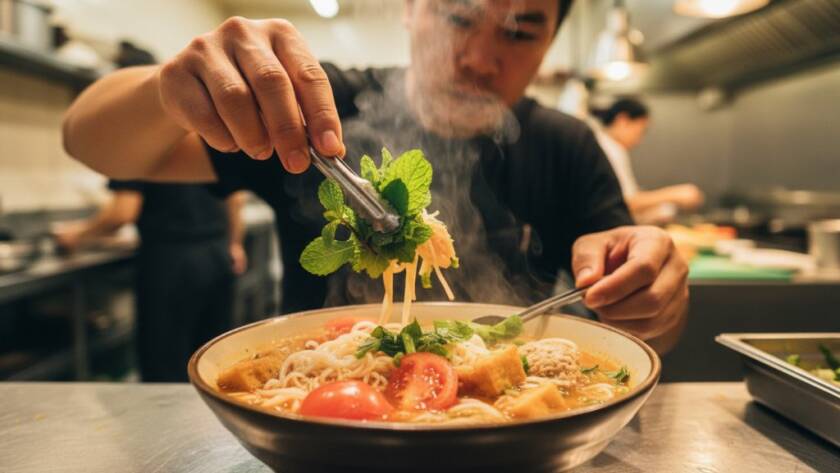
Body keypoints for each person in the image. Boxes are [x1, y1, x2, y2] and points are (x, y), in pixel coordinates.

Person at [61, 0, 689, 354]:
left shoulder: (566, 143)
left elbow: (642, 322)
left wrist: (650, 296)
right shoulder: (314, 108)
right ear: (413, 9)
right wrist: (164, 88)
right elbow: (95, 146)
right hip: (316, 432)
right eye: (460, 18)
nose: (479, 59)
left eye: (521, 32)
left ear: (551, 40)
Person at [53, 182, 247, 381]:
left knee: (165, 364)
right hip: (217, 253)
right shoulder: (212, 148)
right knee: (214, 359)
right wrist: (235, 243)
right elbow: (236, 197)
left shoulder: (131, 150)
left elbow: (123, 211)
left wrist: (77, 235)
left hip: (171, 260)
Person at [591, 98, 705, 224]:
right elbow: (624, 202)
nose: (638, 140)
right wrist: (675, 194)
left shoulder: (607, 145)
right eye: (640, 132)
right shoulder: (608, 148)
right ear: (623, 121)